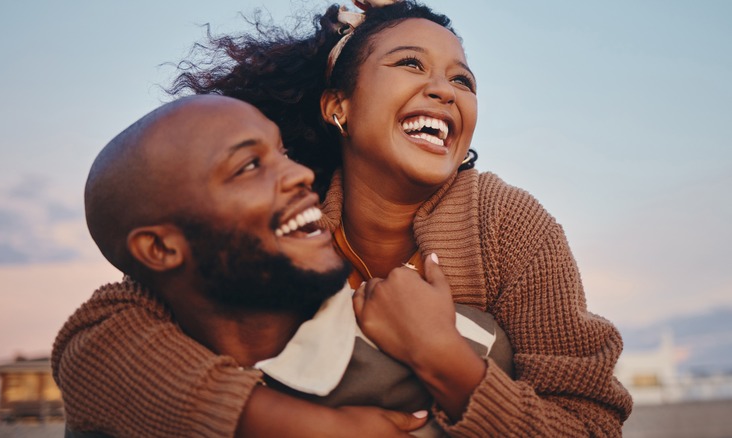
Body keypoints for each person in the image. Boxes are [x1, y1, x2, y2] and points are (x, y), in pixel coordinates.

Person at [54, 0, 633, 436]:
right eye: (411, 63)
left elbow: (591, 421)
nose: (444, 90)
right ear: (339, 107)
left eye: (463, 80)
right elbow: (96, 343)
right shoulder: (287, 211)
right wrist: (305, 426)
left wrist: (444, 358)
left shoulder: (509, 225)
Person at [55, 93, 514, 437]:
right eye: (249, 166)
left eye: (284, 154)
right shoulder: (122, 389)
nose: (300, 175)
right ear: (159, 249)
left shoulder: (465, 346)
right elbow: (86, 344)